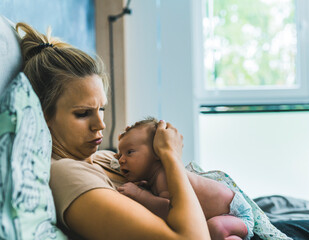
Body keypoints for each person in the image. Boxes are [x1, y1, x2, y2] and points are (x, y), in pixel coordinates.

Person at [16, 22, 211, 240]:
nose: (101, 125)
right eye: (82, 113)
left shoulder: (106, 158)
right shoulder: (66, 175)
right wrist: (171, 156)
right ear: (45, 115)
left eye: (101, 109)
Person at [114, 117, 254, 240]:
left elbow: (170, 209)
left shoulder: (165, 176)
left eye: (129, 152)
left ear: (157, 152)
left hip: (235, 213)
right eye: (119, 155)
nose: (121, 160)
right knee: (210, 230)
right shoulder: (153, 179)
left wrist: (139, 194)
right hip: (222, 215)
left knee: (215, 228)